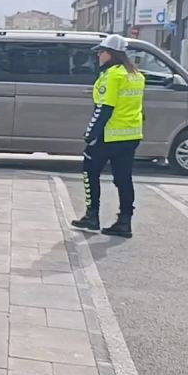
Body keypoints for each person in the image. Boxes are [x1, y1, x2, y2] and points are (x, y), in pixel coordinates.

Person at [68, 34, 144, 238]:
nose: (99, 55)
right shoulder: (136, 74)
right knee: (124, 178)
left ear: (111, 53)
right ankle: (125, 221)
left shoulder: (112, 76)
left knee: (89, 171)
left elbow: (104, 108)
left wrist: (90, 134)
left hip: (108, 135)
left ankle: (92, 216)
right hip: (131, 134)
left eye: (101, 51)